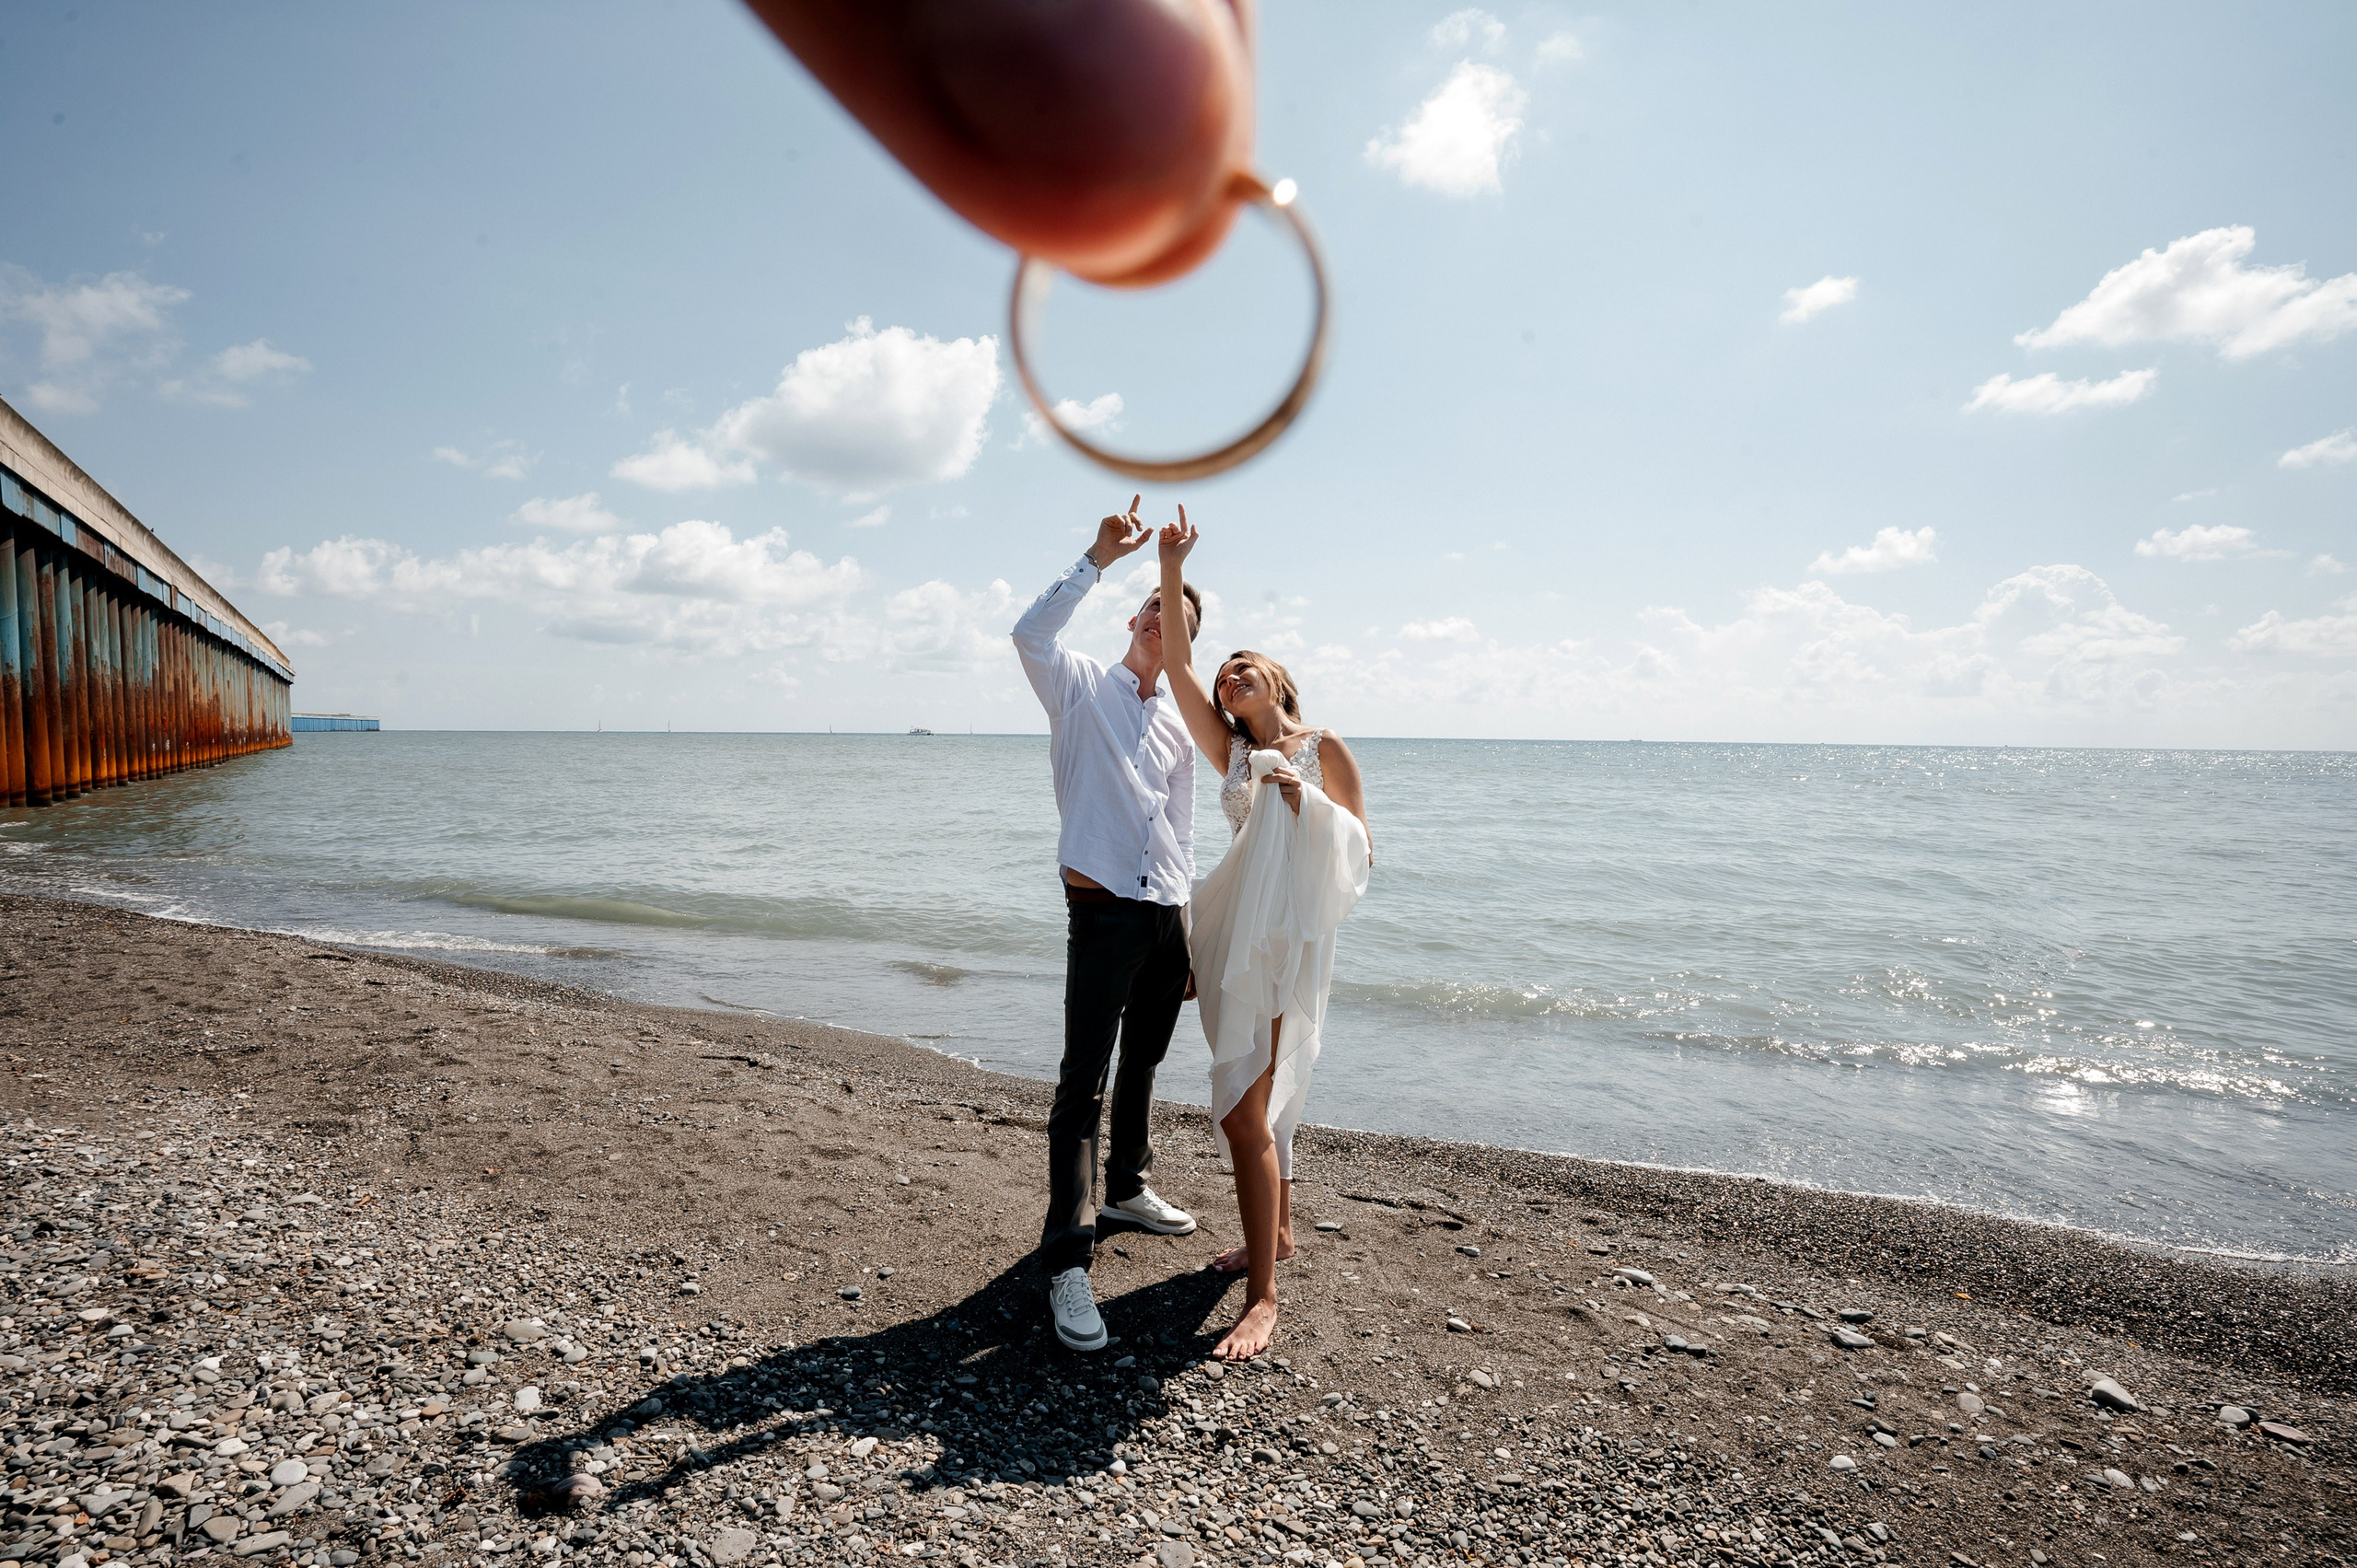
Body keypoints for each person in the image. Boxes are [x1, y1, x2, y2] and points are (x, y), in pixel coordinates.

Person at [1155, 509, 1370, 1361]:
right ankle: (1274, 1232)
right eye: (1224, 674)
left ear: (1277, 683)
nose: (1227, 673)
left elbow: (1361, 851)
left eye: (1244, 664)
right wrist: (1173, 569)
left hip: (1287, 951)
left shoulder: (1322, 748)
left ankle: (1265, 1296)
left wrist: (1306, 806)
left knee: (1245, 1110)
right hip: (1231, 943)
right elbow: (1175, 661)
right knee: (1255, 1103)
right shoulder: (1235, 758)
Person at [1011, 495, 1206, 1353]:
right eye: (1159, 604)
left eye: (1182, 617)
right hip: (1099, 913)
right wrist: (1096, 558)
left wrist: (1188, 930)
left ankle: (1128, 1183)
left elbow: (1183, 829)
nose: (1165, 619)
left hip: (1163, 914)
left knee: (1149, 1059)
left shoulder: (1180, 724)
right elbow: (1029, 634)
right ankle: (1067, 1262)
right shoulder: (1080, 683)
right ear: (1137, 613)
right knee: (1078, 1086)